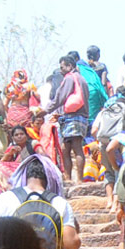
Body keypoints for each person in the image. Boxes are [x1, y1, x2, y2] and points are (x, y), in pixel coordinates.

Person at [0, 155, 82, 249]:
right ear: (50, 177)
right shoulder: (59, 203)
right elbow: (72, 246)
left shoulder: (6, 198)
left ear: (24, 176)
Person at [46, 54, 92, 183]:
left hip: (72, 117)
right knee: (66, 148)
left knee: (75, 147)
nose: (61, 70)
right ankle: (70, 178)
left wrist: (45, 111)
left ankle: (77, 179)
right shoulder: (82, 79)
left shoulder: (69, 78)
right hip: (81, 117)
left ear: (69, 66)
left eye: (62, 67)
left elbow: (59, 98)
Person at [0, 124, 36, 195]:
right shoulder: (12, 148)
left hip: (29, 171)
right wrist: (10, 154)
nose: (19, 136)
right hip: (14, 174)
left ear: (26, 136)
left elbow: (42, 155)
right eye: (16, 135)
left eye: (22, 134)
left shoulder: (32, 144)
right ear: (13, 138)